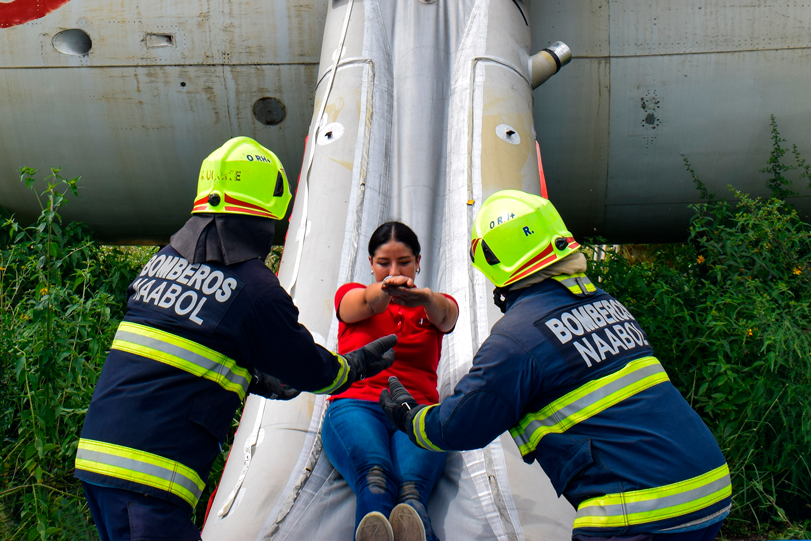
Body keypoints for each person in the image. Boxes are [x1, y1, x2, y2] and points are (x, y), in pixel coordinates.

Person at [76, 137, 399, 541]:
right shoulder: (255, 290)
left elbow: (186, 345)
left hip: (99, 459)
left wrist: (250, 376)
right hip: (148, 477)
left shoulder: (159, 263)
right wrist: (356, 365)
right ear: (266, 212)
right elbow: (310, 369)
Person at [379, 190, 731, 541]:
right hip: (708, 489)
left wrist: (410, 416)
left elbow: (460, 425)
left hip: (641, 510)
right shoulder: (606, 303)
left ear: (491, 259)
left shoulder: (517, 339)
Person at [322, 222, 459, 541]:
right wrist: (386, 289)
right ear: (370, 263)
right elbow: (368, 304)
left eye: (404, 263)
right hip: (357, 405)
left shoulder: (433, 304)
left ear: (419, 261)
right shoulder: (351, 295)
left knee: (411, 495)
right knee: (376, 478)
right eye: (384, 263)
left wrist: (423, 297)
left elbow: (448, 316)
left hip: (416, 412)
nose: (394, 272)